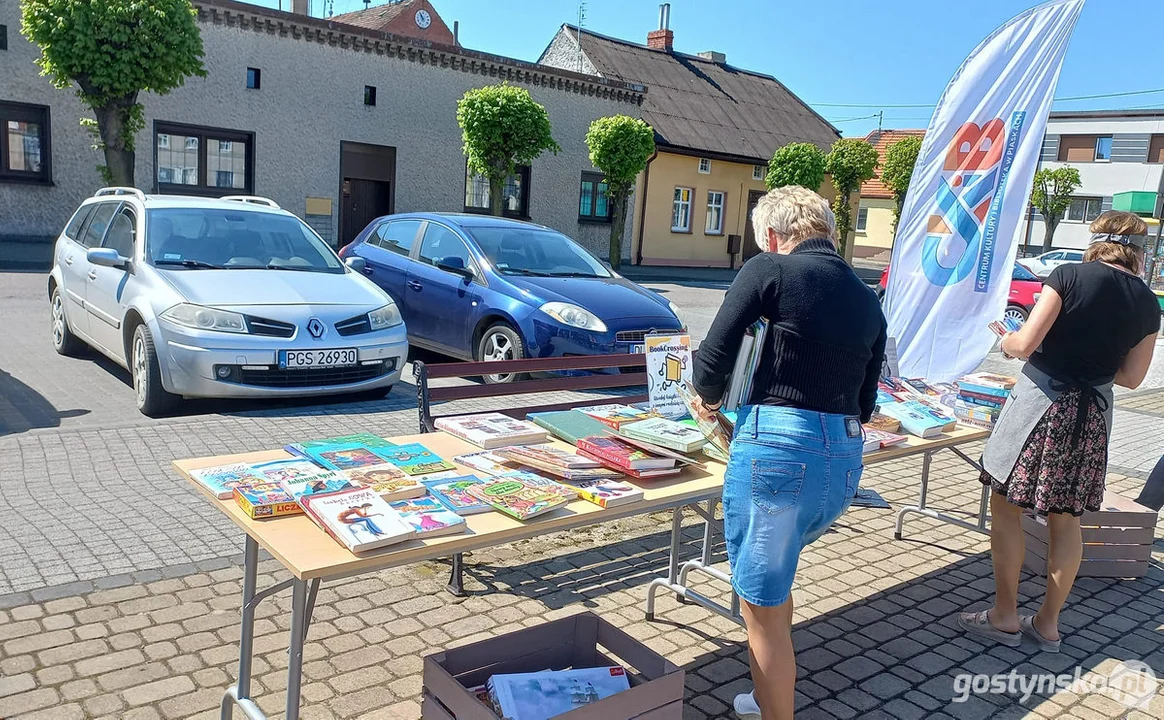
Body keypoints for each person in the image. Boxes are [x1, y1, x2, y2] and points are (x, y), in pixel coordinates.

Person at [691, 186, 887, 720]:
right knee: (774, 589)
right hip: (842, 460)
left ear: (774, 237)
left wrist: (706, 398)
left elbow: (712, 358)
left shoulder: (769, 270)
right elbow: (866, 400)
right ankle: (763, 697)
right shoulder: (867, 295)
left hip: (779, 455)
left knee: (761, 607)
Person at [959, 211, 1159, 653]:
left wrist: (1008, 341)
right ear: (1137, 252)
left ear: (1096, 243)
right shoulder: (1148, 302)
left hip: (1040, 406)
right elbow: (1132, 379)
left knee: (1006, 505)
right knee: (1067, 521)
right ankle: (1048, 624)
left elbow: (1025, 344)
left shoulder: (1068, 275)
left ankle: (1005, 614)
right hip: (1092, 417)